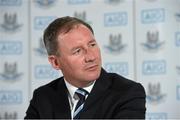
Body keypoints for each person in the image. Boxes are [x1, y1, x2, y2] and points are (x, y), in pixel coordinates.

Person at [25, 16, 146, 119]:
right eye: (77, 51)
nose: (91, 57)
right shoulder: (42, 97)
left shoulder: (127, 92)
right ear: (56, 62)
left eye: (92, 45)